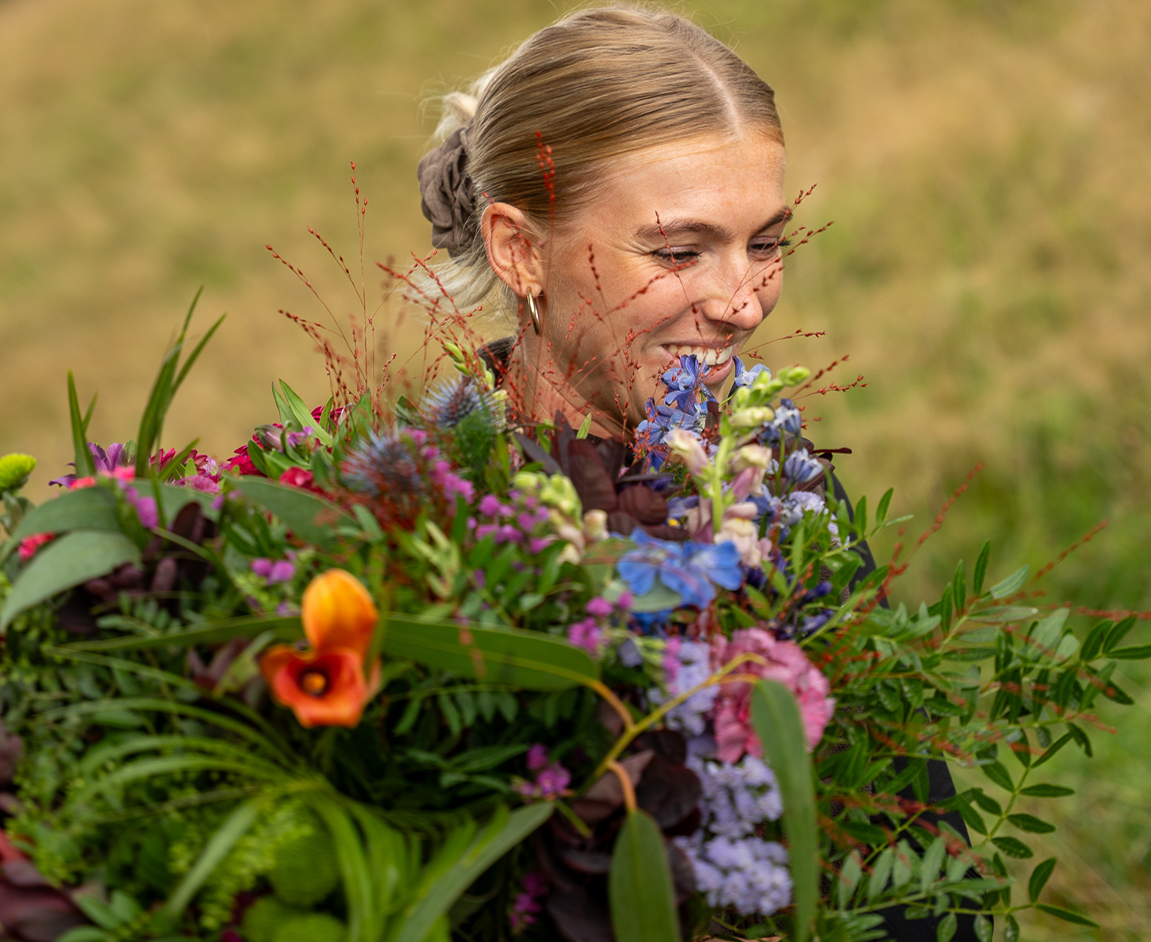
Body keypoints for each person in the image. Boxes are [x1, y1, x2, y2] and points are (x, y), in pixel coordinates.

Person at [417, 7, 978, 942]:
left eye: (765, 242)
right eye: (679, 251)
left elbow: (912, 863)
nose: (740, 302)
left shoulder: (777, 489)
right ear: (519, 248)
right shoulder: (427, 532)